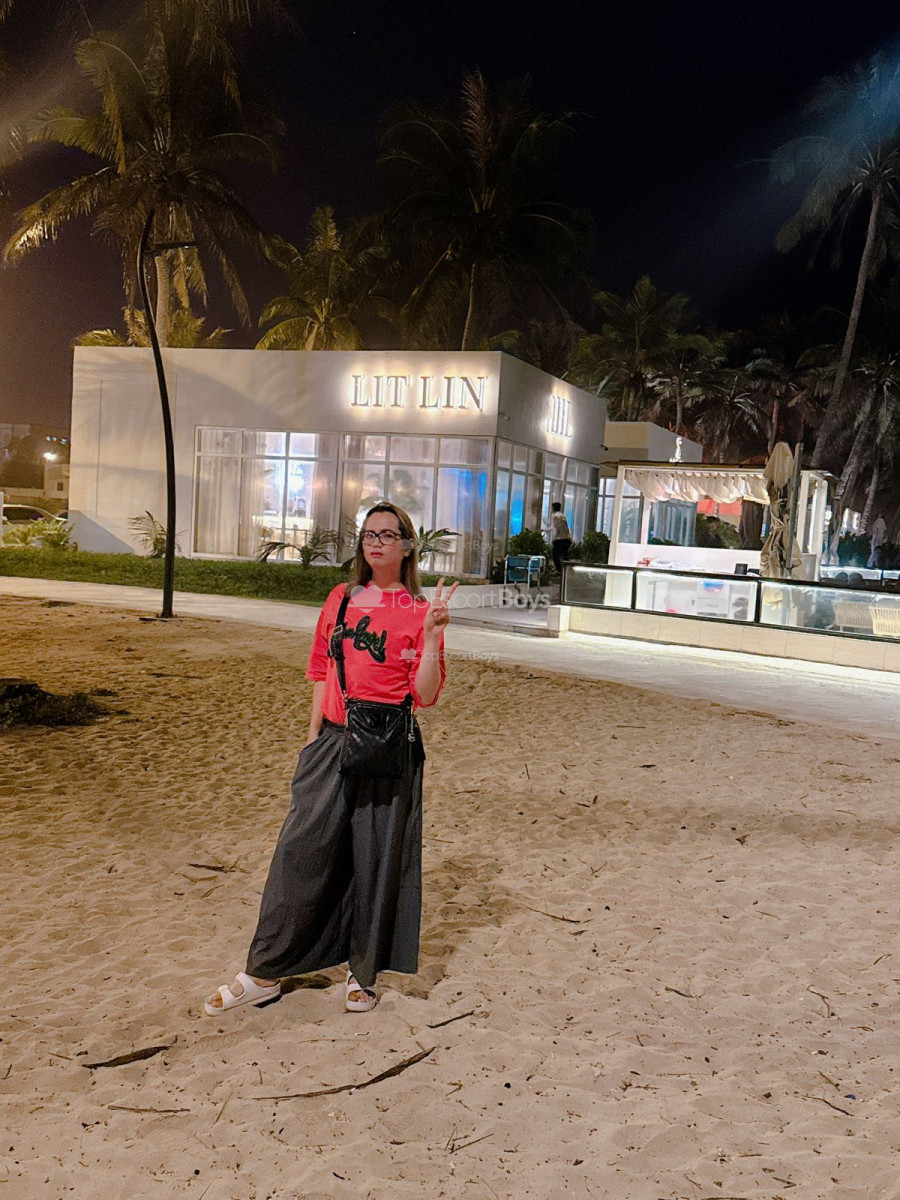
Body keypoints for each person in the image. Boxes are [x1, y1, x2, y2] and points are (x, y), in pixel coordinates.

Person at [204, 502, 456, 1016]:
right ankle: (265, 971)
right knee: (300, 854)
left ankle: (362, 973)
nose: (376, 542)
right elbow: (322, 669)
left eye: (388, 534)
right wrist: (312, 737)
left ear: (408, 546)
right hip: (333, 742)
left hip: (388, 747)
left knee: (374, 861)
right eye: (369, 534)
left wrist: (431, 637)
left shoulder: (417, 610)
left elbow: (426, 694)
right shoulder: (341, 599)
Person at [546, 501, 572, 576]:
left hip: (560, 539)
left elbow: (556, 528)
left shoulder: (555, 516)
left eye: (551, 508)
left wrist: (554, 538)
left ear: (553, 508)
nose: (550, 509)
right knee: (564, 556)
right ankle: (566, 571)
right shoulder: (563, 515)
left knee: (555, 556)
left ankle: (560, 572)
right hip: (567, 539)